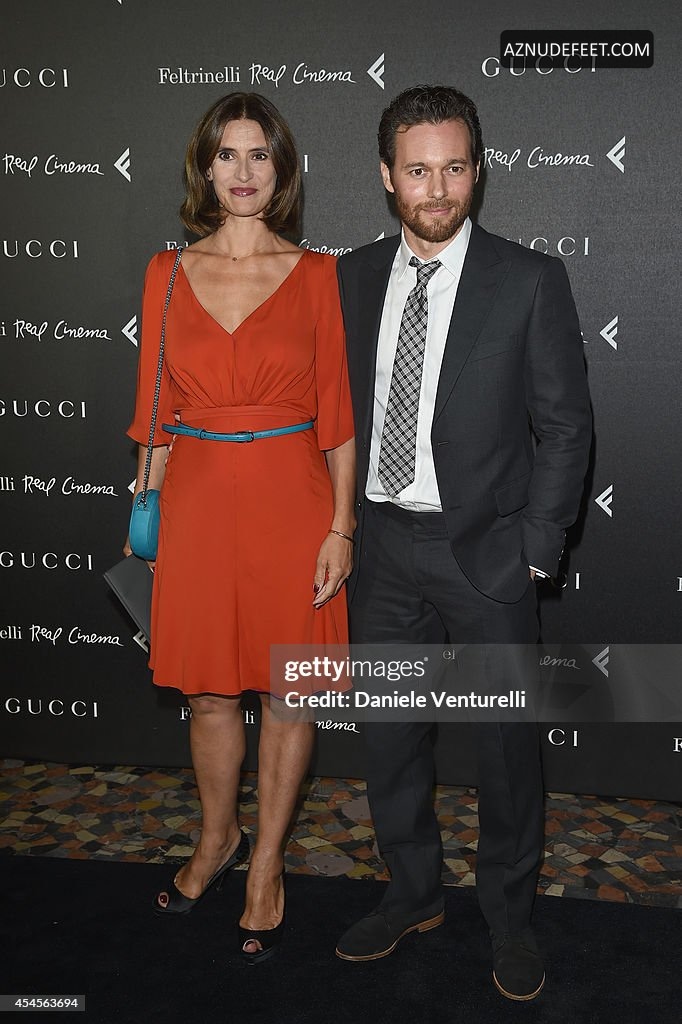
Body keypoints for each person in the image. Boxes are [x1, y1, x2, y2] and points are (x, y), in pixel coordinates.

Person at [334, 85, 591, 1000]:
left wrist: (535, 547)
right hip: (381, 549)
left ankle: (511, 918)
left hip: (484, 555)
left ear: (477, 170)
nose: (437, 189)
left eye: (453, 168)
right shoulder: (350, 277)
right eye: (418, 170)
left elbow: (565, 426)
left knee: (506, 749)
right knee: (390, 740)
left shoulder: (528, 279)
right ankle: (411, 893)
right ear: (386, 176)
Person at [125, 92, 355, 964]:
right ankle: (217, 837)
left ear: (283, 169)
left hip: (293, 503)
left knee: (290, 690)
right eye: (228, 154)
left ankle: (266, 864)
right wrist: (144, 511)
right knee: (210, 691)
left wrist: (342, 527)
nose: (245, 171)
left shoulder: (319, 274)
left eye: (260, 154)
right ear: (205, 169)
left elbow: (338, 416)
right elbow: (155, 413)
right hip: (196, 504)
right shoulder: (166, 272)